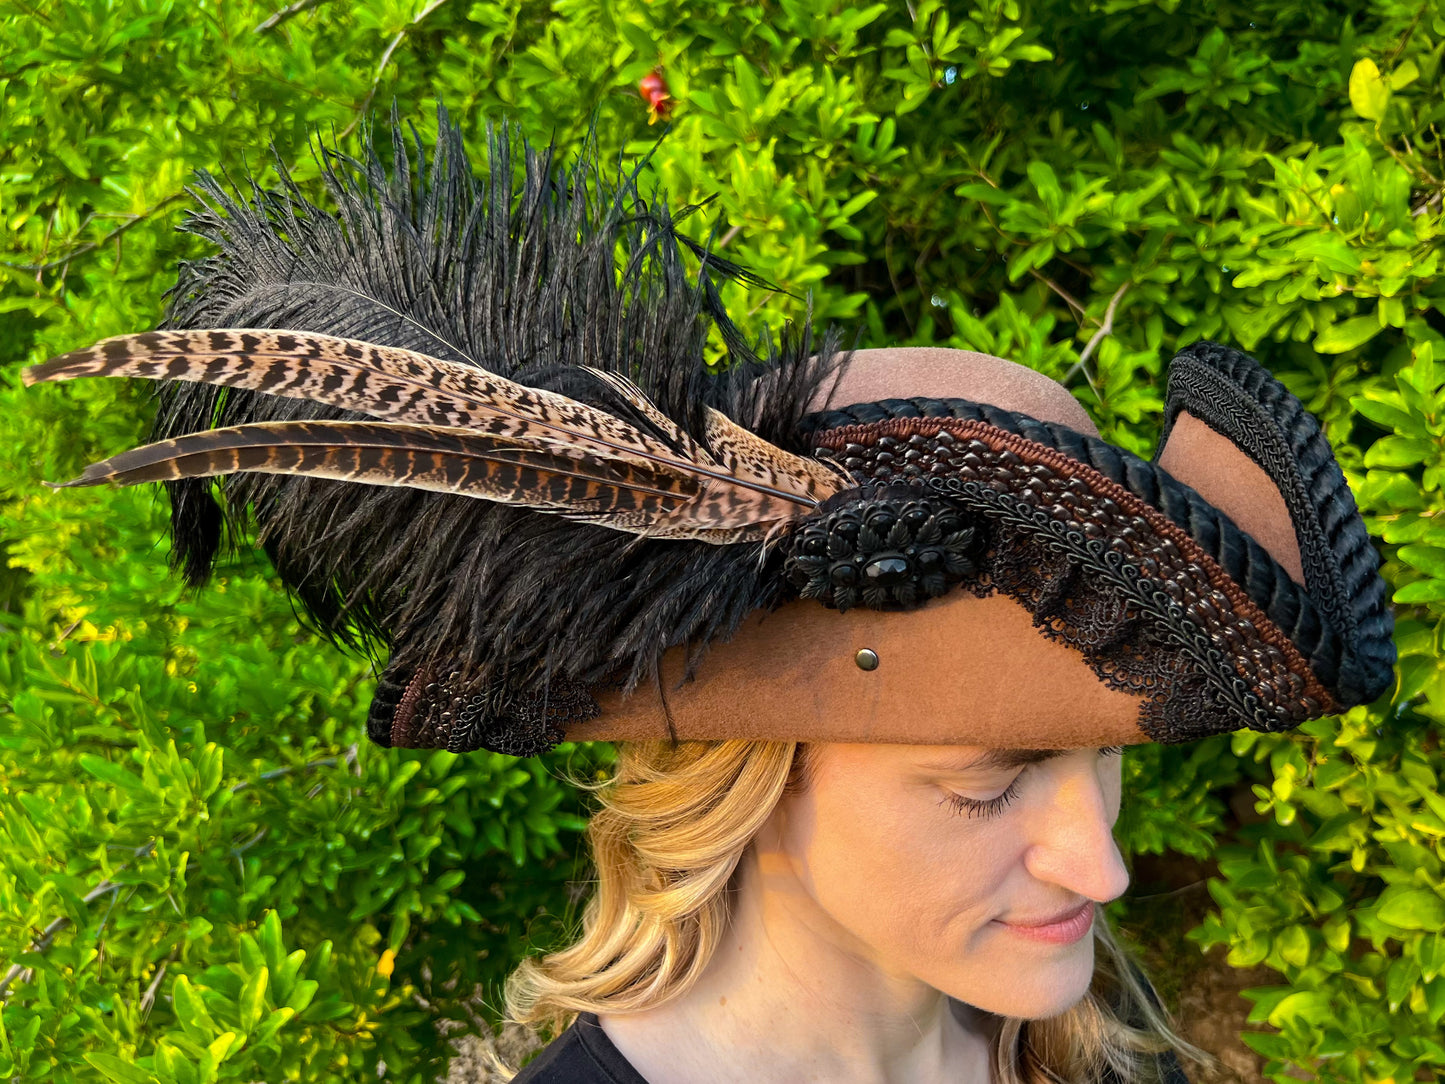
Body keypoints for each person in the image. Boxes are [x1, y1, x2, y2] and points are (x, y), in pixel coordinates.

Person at [24, 109, 1394, 1083]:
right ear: (745, 770)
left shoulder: (1099, 1043)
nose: (1096, 863)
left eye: (1106, 770)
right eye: (989, 784)